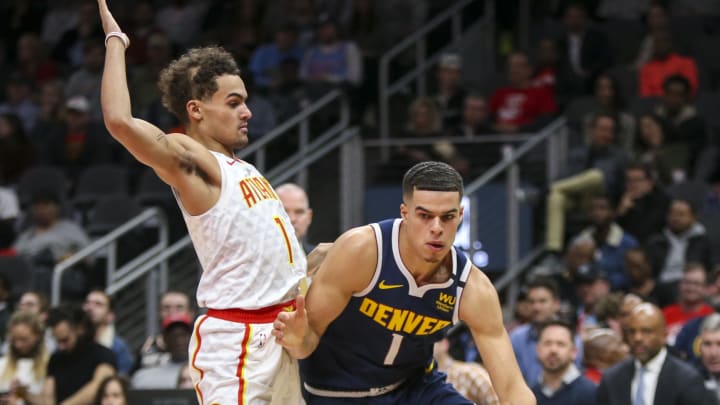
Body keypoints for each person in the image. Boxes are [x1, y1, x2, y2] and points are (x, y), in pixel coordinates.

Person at [97, 1, 307, 404]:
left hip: (281, 335)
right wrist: (116, 43)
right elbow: (119, 122)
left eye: (244, 100)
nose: (247, 111)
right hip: (241, 344)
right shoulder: (192, 160)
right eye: (233, 103)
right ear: (196, 110)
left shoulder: (242, 168)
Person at [273, 161, 535, 404]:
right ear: (405, 213)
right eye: (424, 216)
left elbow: (512, 387)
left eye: (447, 217)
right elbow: (308, 341)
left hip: (416, 389)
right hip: (335, 392)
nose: (436, 228)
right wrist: (297, 340)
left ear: (460, 215)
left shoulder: (472, 287)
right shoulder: (362, 251)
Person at [596, 303, 713, 405]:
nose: (637, 338)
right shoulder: (611, 378)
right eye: (632, 331)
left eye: (646, 331)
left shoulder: (687, 379)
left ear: (664, 335)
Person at [42, 304, 116, 405]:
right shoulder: (56, 359)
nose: (61, 347)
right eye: (57, 341)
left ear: (81, 329)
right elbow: (48, 396)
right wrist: (24, 393)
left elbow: (97, 388)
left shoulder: (103, 355)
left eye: (65, 340)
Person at [532, 320, 596, 405]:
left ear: (574, 352)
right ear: (538, 350)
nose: (553, 350)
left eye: (560, 344)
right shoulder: (530, 394)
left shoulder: (591, 392)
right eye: (547, 343)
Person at [0, 311, 50, 405]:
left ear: (38, 336)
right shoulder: (2, 365)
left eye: (24, 339)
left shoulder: (50, 366)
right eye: (14, 340)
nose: (17, 345)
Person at [82, 289, 134, 375]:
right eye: (87, 303)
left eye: (98, 304)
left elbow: (121, 381)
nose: (90, 308)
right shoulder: (71, 341)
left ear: (110, 316)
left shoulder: (119, 347)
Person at [276, 183, 314, 254]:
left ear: (309, 217)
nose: (292, 219)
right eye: (284, 212)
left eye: (299, 212)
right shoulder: (252, 259)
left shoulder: (322, 260)